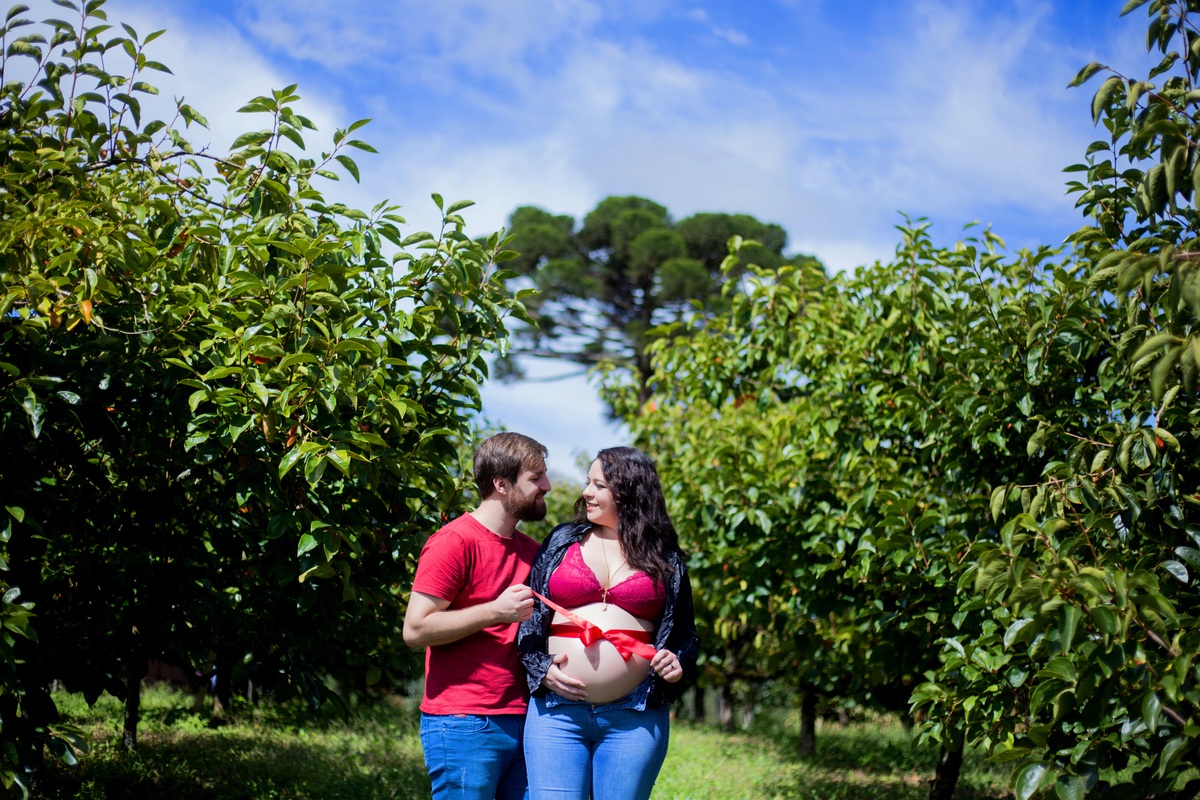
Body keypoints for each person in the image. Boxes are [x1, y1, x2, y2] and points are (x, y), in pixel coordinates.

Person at [517, 446, 698, 800]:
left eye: (598, 485)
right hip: (557, 711)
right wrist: (541, 668)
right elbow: (530, 617)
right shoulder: (562, 541)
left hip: (634, 714)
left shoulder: (665, 556)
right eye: (588, 482)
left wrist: (676, 660)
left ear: (629, 491)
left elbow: (685, 635)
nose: (586, 492)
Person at [403, 432, 552, 800]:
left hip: (529, 719)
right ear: (501, 484)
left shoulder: (533, 551)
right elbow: (415, 628)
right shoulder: (453, 542)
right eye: (536, 478)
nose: (546, 486)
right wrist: (494, 612)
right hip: (465, 722)